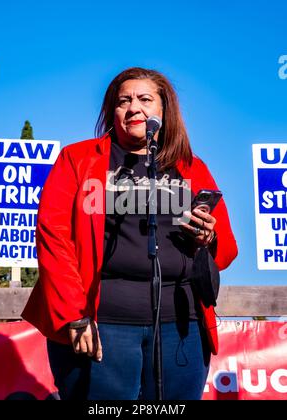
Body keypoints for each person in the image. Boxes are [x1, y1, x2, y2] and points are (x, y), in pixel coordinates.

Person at [22, 67, 238, 400]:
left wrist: (208, 237)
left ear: (165, 111)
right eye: (124, 100)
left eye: (145, 99)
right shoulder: (77, 159)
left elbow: (225, 251)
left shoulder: (191, 167)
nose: (134, 107)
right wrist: (74, 316)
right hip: (103, 323)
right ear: (113, 111)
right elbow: (53, 237)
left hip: (181, 327)